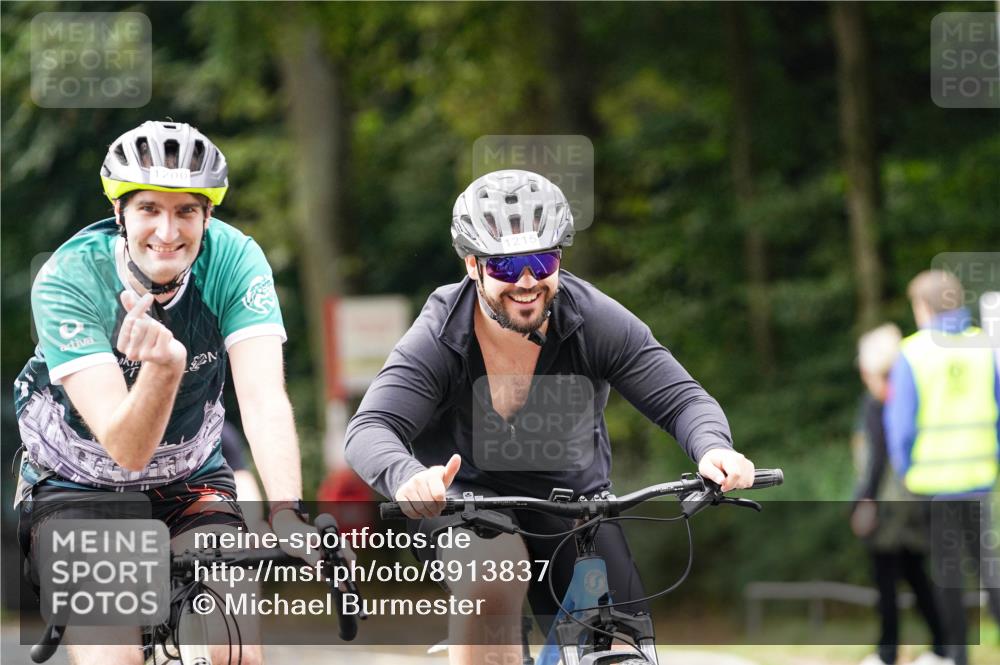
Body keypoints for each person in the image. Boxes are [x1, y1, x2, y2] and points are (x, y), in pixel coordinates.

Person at [345, 169, 757, 665]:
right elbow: (370, 429)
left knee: (624, 637)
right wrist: (408, 476)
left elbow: (682, 400)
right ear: (473, 266)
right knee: (494, 574)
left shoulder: (594, 321)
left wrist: (713, 446)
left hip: (574, 503)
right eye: (505, 266)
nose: (526, 281)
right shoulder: (439, 336)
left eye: (543, 261)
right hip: (464, 503)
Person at [13, 121, 311, 665]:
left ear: (208, 217)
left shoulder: (235, 261)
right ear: (120, 213)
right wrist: (164, 369)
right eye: (149, 209)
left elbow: (264, 396)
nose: (167, 232)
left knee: (236, 644)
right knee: (116, 656)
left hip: (189, 477)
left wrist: (288, 510)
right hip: (80, 484)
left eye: (186, 212)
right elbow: (126, 449)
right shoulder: (69, 279)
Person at [884, 270, 1000, 665]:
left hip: (934, 483)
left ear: (924, 307)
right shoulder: (984, 347)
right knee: (990, 570)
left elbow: (899, 426)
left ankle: (957, 656)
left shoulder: (913, 353)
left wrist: (905, 470)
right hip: (981, 477)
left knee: (949, 576)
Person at [851, 324, 950, 665]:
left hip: (891, 510)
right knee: (915, 577)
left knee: (890, 581)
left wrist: (862, 502)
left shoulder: (880, 403)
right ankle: (940, 646)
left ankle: (890, 652)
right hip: (913, 504)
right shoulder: (912, 394)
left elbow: (875, 460)